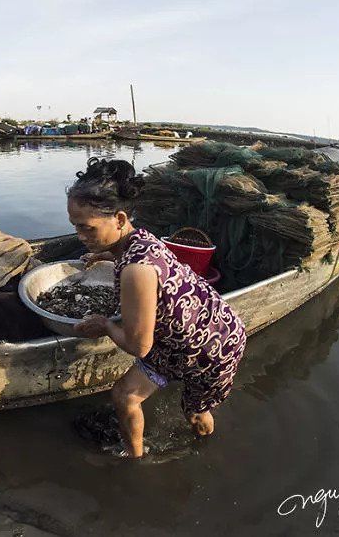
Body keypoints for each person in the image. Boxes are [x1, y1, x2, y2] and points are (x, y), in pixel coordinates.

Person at [67, 157, 247, 458]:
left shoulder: (136, 270)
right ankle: (135, 454)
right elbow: (143, 266)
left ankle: (194, 449)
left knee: (194, 413)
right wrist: (105, 256)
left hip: (212, 346)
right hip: (188, 330)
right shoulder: (139, 238)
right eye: (75, 227)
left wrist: (106, 326)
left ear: (120, 219)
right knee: (125, 396)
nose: (80, 237)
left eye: (87, 229)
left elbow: (139, 346)